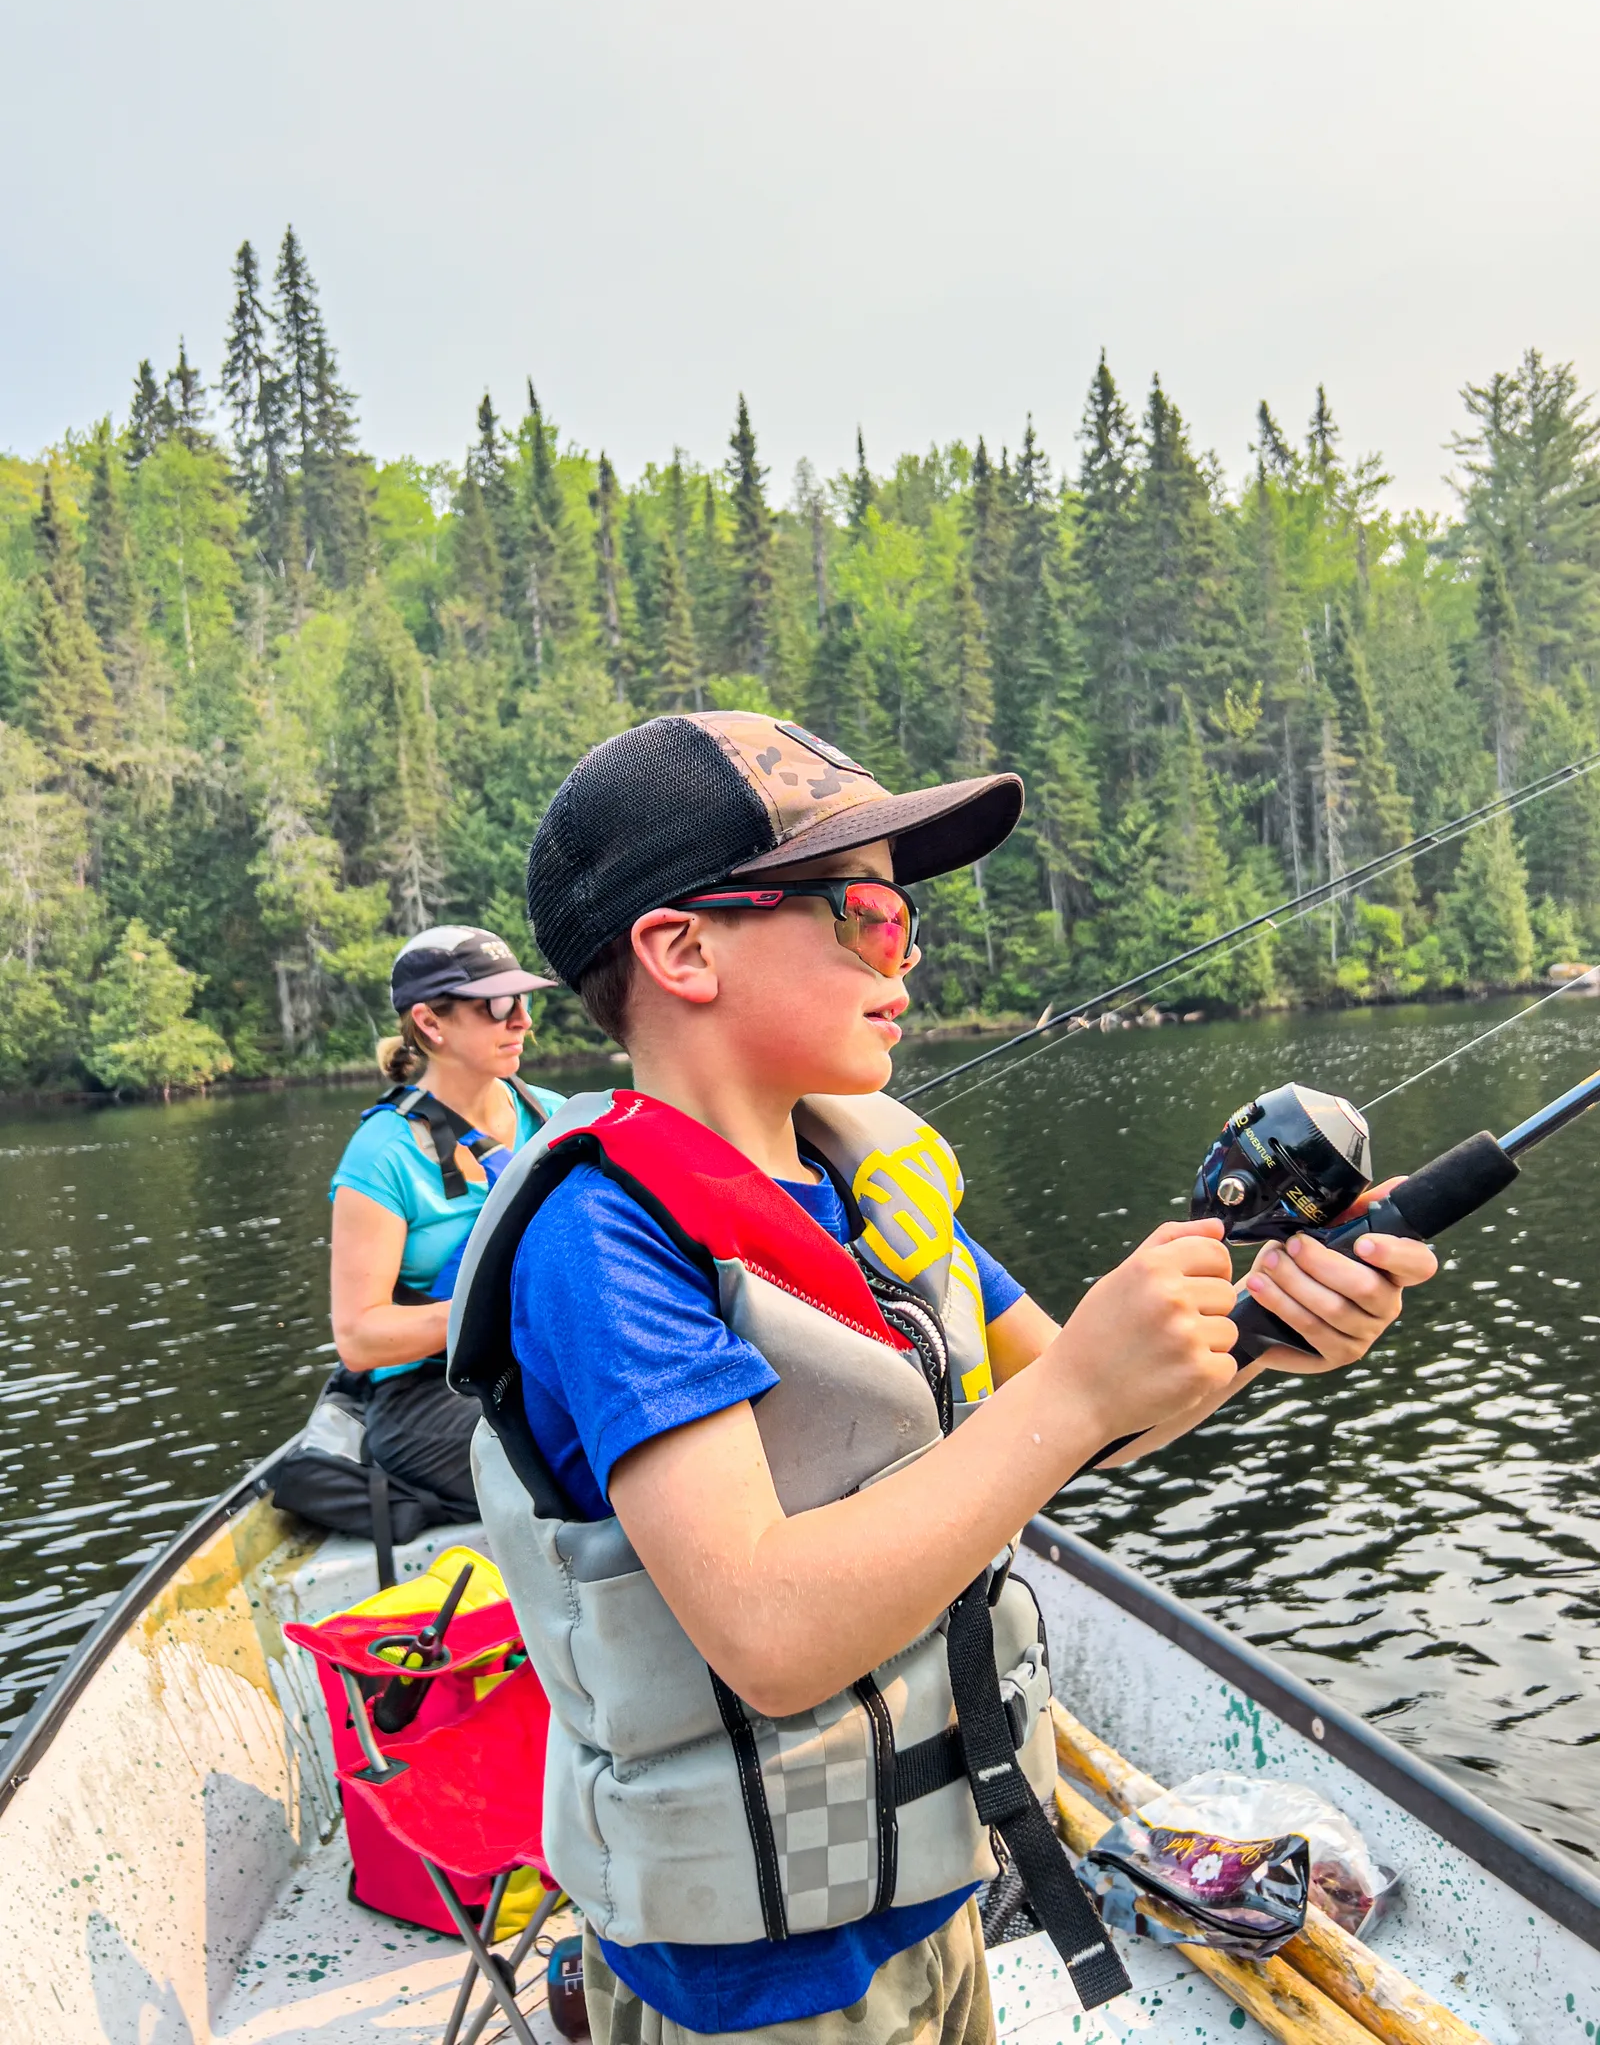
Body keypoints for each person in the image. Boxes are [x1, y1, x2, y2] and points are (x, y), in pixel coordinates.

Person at [449, 714, 1438, 2045]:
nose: (903, 952)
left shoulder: (869, 1172)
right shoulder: (602, 1239)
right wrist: (1080, 1390)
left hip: (938, 1892)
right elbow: (769, 1633)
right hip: (759, 1988)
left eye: (903, 916)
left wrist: (1264, 1325)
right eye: (862, 913)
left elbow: (1094, 1423)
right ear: (680, 949)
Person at [326, 924, 563, 1519]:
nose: (523, 1022)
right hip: (427, 1397)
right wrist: (505, 1307)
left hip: (539, 1361)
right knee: (579, 1452)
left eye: (524, 1001)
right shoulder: (383, 1154)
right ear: (431, 1023)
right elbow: (358, 1339)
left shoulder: (554, 1115)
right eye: (500, 1005)